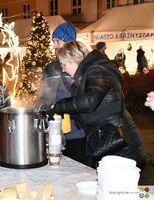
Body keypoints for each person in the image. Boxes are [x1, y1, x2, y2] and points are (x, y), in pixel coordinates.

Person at [47, 41, 145, 168]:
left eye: (63, 64)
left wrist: (59, 107)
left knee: (115, 185)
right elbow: (90, 111)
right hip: (106, 138)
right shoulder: (88, 72)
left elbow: (90, 101)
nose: (62, 69)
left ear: (73, 59)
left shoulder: (97, 70)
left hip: (117, 141)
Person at [38, 22, 86, 164]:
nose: (54, 45)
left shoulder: (81, 67)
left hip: (76, 132)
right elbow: (42, 94)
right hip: (53, 130)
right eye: (53, 41)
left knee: (77, 169)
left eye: (57, 41)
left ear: (69, 42)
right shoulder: (50, 67)